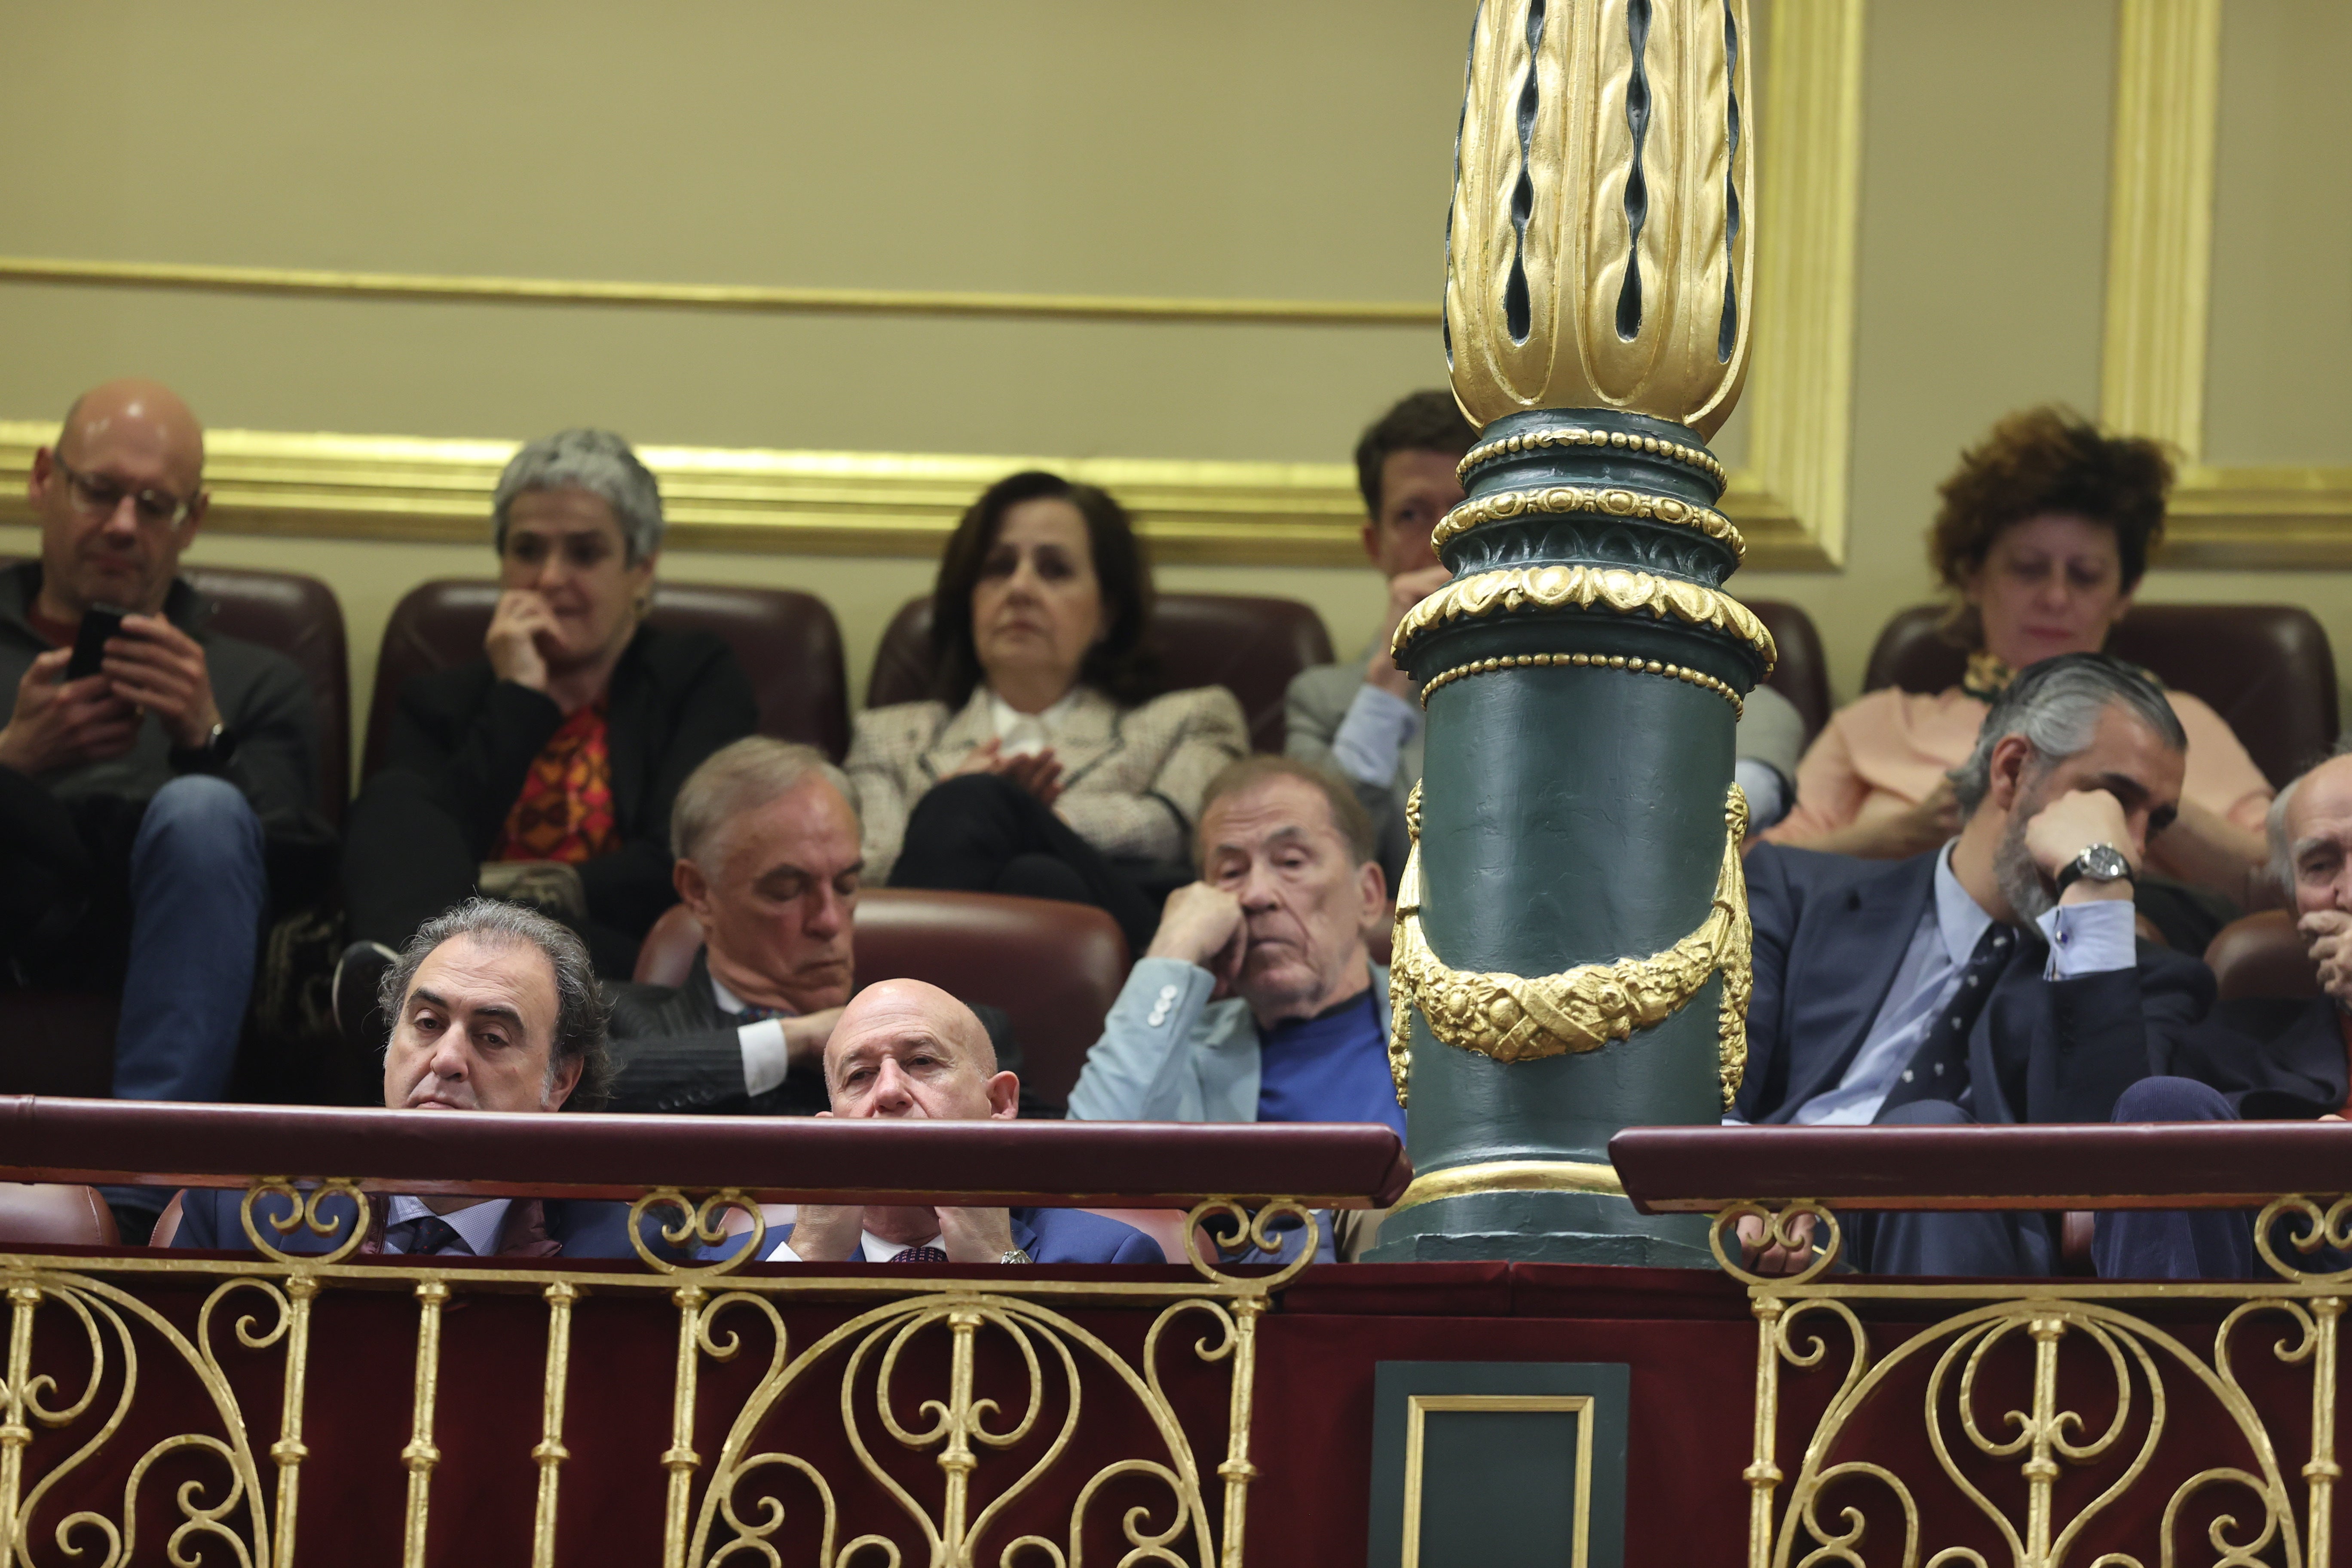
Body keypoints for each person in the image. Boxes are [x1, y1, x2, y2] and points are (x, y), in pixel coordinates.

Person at [1735, 653, 2227, 1277]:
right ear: (2013, 768)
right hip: (1757, 1228)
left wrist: (2097, 892)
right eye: (2112, 799)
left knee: (1930, 1138)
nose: (2129, 845)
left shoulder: (2148, 982)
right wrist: (1755, 1180)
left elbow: (2106, 1197)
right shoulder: (1798, 891)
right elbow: (1707, 1084)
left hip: (1964, 1261)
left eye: (2152, 823)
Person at [1765, 407, 2271, 925]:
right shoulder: (1877, 725)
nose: (2055, 597)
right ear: (1973, 577)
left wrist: (2142, 797)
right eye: (2028, 569)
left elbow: (2290, 882)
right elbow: (1747, 873)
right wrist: (1898, 838)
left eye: (2087, 576)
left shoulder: (2183, 727)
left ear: (2124, 594)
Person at [1285, 389, 1807, 888]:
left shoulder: (1581, 631)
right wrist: (1385, 683)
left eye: (1466, 506)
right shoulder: (1326, 702)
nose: (1447, 536)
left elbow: (1765, 716)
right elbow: (1311, 856)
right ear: (1375, 545)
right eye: (1412, 515)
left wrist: (1698, 822)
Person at [0, 380, 333, 1133]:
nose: (123, 524)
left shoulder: (253, 678)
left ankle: (141, 1184)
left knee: (205, 809)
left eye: (155, 505)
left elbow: (305, 873)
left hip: (169, 943)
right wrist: (12, 760)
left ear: (194, 520)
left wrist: (206, 740)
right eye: (99, 491)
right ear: (45, 478)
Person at [339, 429, 756, 1006]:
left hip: (617, 969)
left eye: (585, 553)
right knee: (391, 802)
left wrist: (504, 910)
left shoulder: (695, 677)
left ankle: (406, 998)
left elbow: (678, 864)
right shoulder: (437, 700)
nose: (550, 578)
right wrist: (521, 703)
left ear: (641, 569)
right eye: (528, 551)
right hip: (452, 954)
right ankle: (406, 1001)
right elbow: (408, 859)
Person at [845, 470, 1248, 956]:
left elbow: (1173, 832)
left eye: (1054, 570)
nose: (1020, 588)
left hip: (1135, 951)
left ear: (1107, 614)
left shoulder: (1190, 717)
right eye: (998, 567)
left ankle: (888, 1022)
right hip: (1015, 969)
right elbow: (864, 877)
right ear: (969, 599)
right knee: (1035, 879)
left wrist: (1010, 810)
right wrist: (952, 802)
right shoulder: (890, 736)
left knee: (979, 804)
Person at [169, 900, 679, 1261]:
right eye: (428, 1025)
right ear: (390, 1046)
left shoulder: (631, 1257)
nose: (446, 1060)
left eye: (492, 1037)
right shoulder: (245, 1213)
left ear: (560, 1082)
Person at [602, 737, 1022, 1114]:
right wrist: (791, 1042)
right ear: (698, 891)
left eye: (846, 885)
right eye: (786, 891)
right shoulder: (618, 1025)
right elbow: (574, 1090)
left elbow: (1050, 1169)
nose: (829, 920)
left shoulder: (950, 1038)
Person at [1067, 756, 1395, 1136]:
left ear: (1368, 895)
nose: (1255, 895)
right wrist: (1174, 948)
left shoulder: (1449, 1023)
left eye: (1290, 861)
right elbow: (1076, 1178)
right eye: (1232, 873)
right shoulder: (1173, 1055)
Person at [742, 980, 1163, 1265]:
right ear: (827, 1131)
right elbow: (712, 1395)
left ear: (999, 1103)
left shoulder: (1108, 1257)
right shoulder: (728, 1265)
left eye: (922, 1062)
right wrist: (807, 1257)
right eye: (861, 1076)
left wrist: (1000, 1264)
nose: (889, 1092)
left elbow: (1091, 1397)